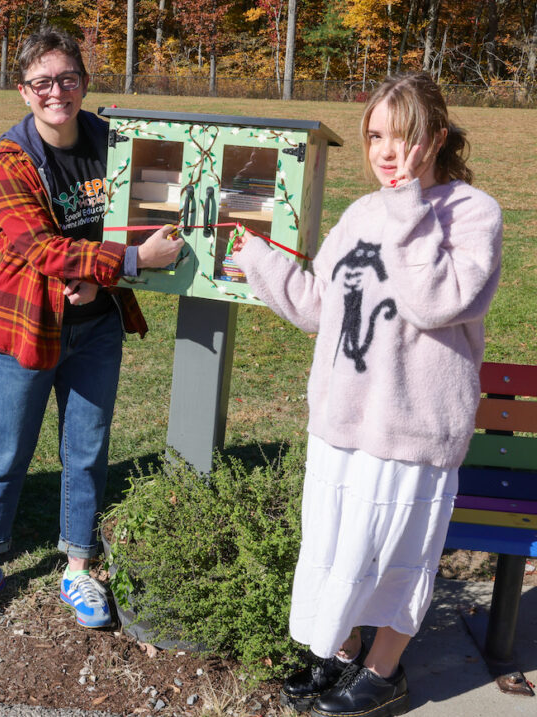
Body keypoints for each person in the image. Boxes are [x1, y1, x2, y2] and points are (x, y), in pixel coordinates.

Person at [230, 73, 502, 717]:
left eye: (401, 136)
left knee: (399, 556)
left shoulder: (472, 213)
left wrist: (409, 203)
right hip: (342, 424)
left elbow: (436, 302)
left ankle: (384, 672)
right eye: (375, 135)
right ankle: (345, 653)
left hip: (412, 428)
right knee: (334, 548)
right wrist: (259, 258)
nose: (385, 152)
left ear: (435, 138)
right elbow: (319, 307)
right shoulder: (361, 212)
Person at [0, 28, 183, 628]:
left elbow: (146, 212)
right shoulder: (8, 160)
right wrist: (127, 265)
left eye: (67, 79)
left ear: (83, 81)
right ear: (24, 91)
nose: (56, 92)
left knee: (87, 449)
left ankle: (78, 567)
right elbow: (40, 248)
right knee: (8, 449)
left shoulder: (114, 143)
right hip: (26, 323)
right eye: (42, 83)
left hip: (96, 326)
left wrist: (102, 280)